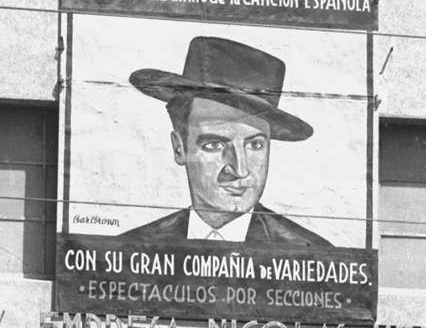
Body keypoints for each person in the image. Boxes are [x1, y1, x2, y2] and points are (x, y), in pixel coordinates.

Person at [115, 36, 329, 248]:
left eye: (254, 145)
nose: (240, 170)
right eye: (214, 145)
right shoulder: (132, 248)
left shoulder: (310, 252)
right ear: (180, 148)